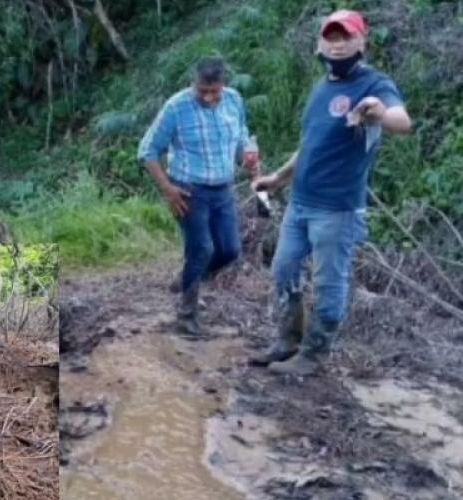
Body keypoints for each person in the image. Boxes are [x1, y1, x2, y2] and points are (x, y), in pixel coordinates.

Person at [249, 10, 412, 375]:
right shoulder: (322, 87)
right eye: (331, 38)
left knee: (328, 283)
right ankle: (288, 341)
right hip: (300, 203)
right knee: (284, 270)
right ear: (320, 44)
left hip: (337, 209)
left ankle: (314, 354)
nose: (337, 46)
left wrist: (379, 113)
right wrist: (277, 178)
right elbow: (310, 146)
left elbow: (402, 121)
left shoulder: (374, 84)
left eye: (346, 37)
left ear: (362, 41)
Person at [138, 56, 259, 338]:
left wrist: (248, 153)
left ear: (223, 85)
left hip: (223, 188)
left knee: (229, 250)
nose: (207, 97)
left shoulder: (233, 100)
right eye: (201, 90)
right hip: (189, 190)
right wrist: (168, 189)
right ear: (193, 84)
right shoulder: (176, 107)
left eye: (213, 91)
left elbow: (241, 134)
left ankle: (186, 279)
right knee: (201, 248)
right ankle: (187, 314)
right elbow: (147, 151)